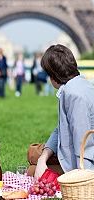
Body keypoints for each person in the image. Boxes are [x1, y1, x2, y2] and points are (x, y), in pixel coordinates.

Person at [33, 44, 94, 179]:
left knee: (32, 169)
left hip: (83, 167)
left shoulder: (74, 95)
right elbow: (60, 129)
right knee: (34, 156)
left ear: (54, 75)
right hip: (73, 155)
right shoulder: (79, 85)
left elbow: (82, 143)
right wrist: (43, 158)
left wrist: (81, 180)